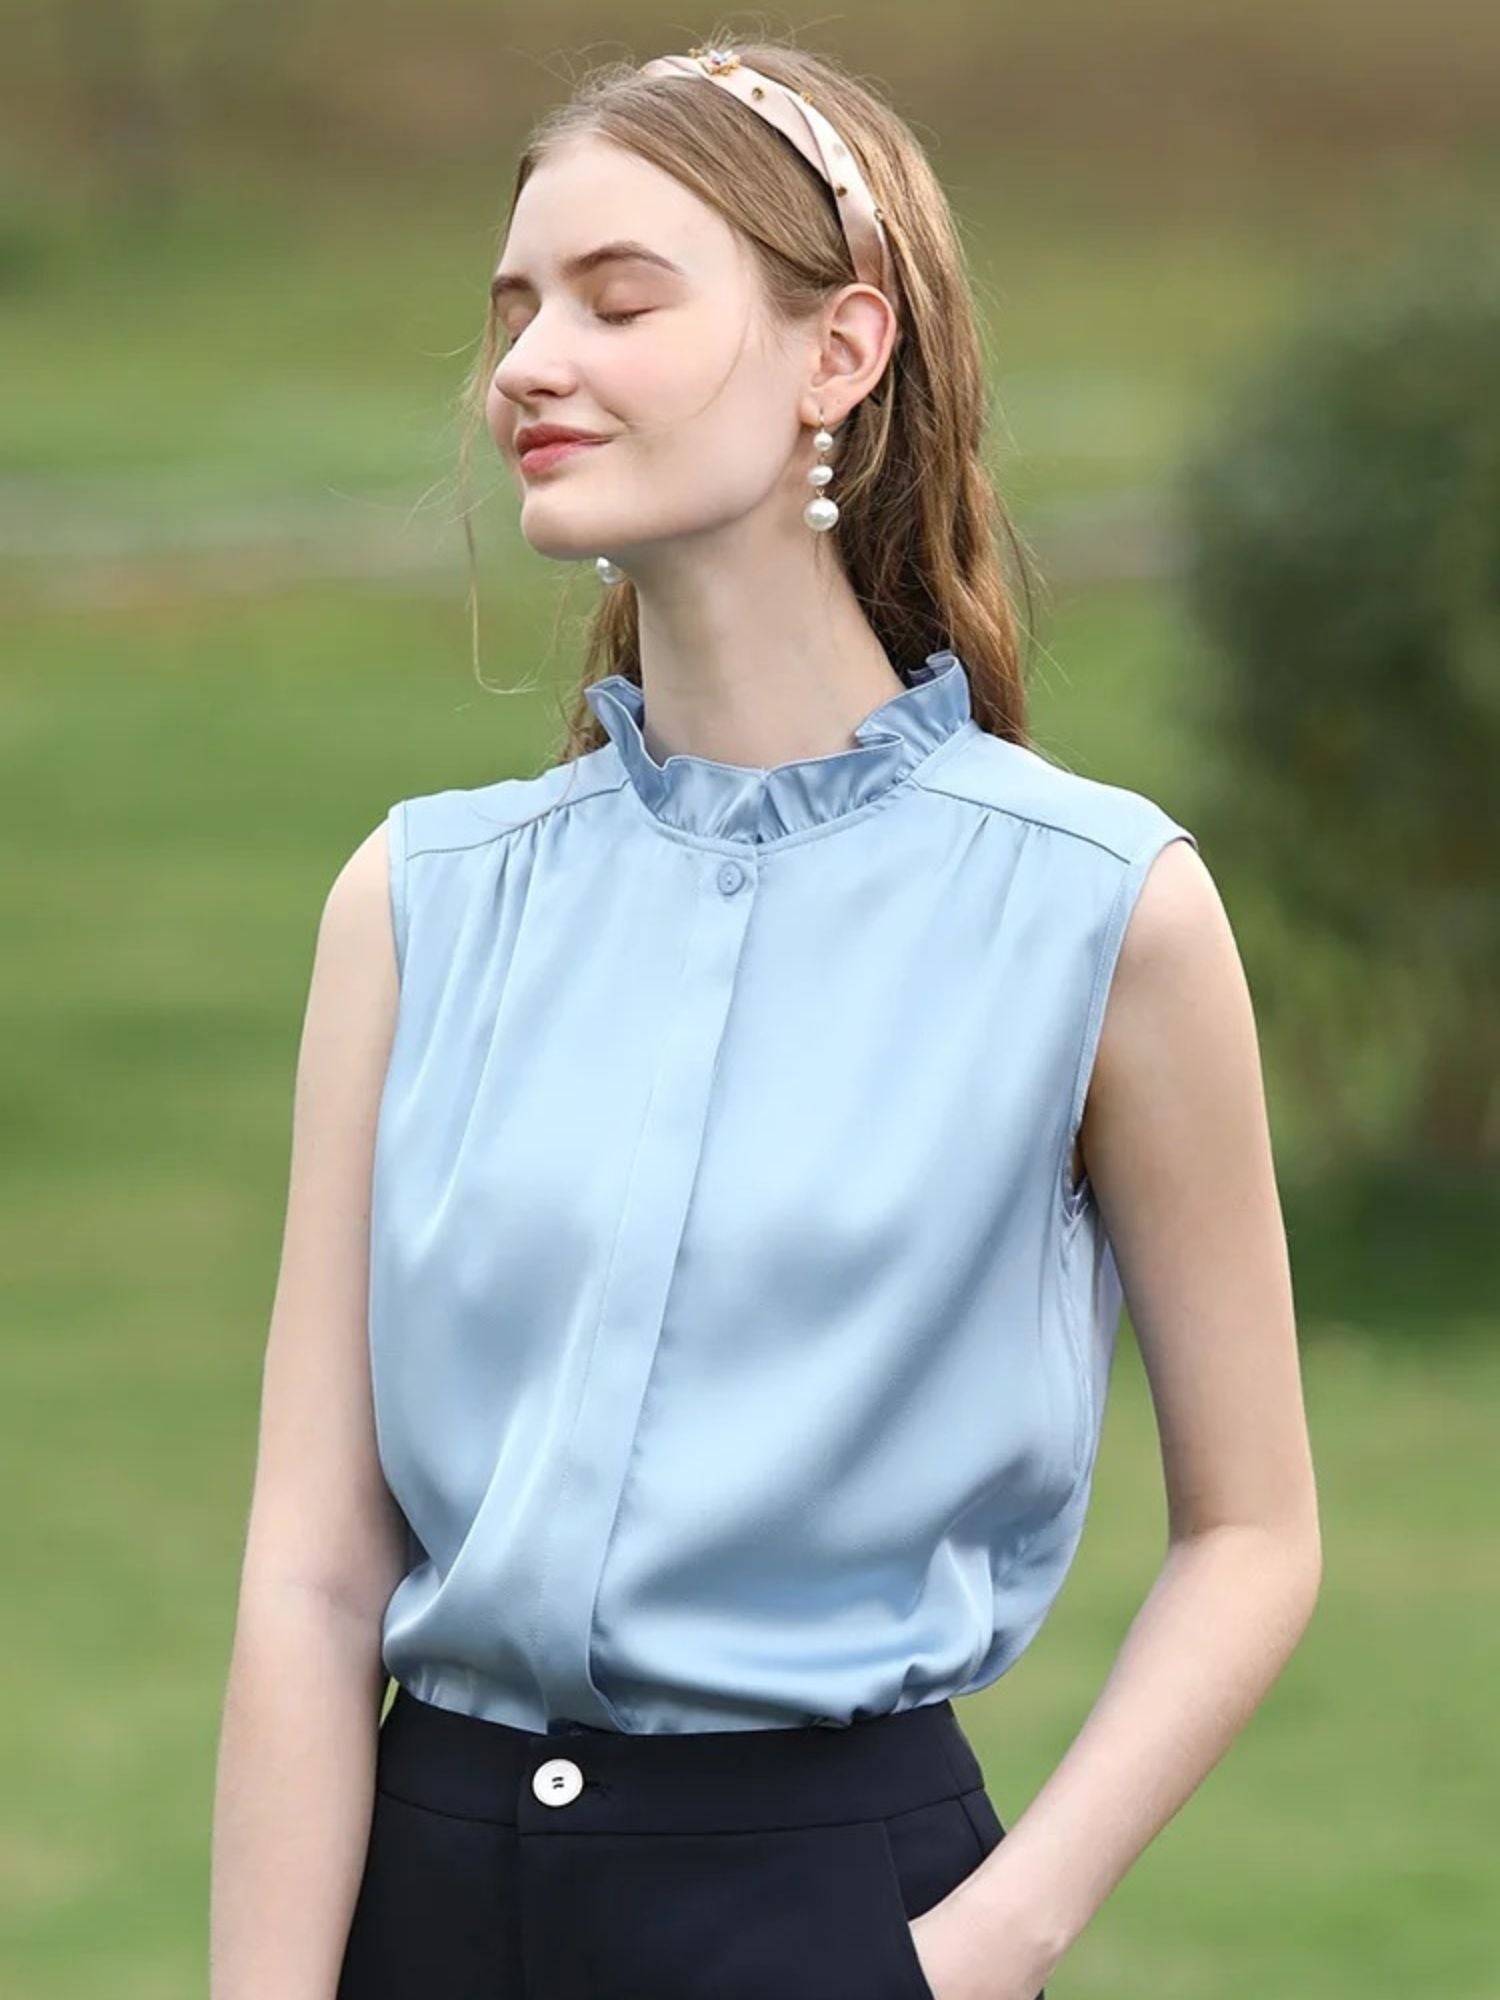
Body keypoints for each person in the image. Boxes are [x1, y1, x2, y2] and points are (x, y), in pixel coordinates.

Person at [209, 38, 1322, 2000]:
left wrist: (976, 1949)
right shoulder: (418, 905)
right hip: (423, 1903)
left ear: (841, 352)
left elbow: (1256, 1532)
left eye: (618, 298)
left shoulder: (1097, 912)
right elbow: (311, 1569)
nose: (528, 365)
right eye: (514, 311)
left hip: (841, 1918)